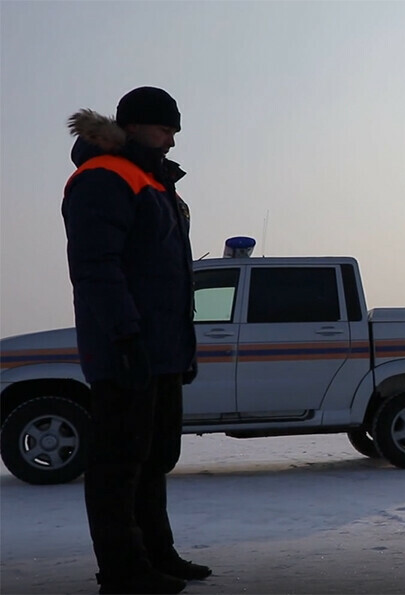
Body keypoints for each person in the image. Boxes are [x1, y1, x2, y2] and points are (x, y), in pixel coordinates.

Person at [62, 87, 210, 594]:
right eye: (165, 129)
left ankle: (157, 555)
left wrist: (177, 350)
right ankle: (124, 571)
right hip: (125, 350)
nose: (172, 140)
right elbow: (96, 267)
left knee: (155, 458)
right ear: (135, 126)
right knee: (120, 464)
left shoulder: (155, 182)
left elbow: (167, 276)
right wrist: (124, 338)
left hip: (159, 351)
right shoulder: (105, 176)